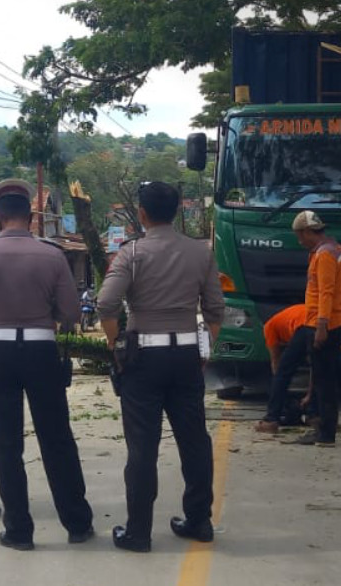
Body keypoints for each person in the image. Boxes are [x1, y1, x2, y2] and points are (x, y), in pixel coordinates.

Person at [0, 179, 94, 551]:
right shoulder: (52, 255)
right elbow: (70, 314)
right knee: (57, 437)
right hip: (41, 351)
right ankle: (78, 523)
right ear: (31, 217)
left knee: (6, 441)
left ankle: (18, 530)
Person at [97, 181, 224, 553]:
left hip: (143, 359)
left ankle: (138, 532)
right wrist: (205, 350)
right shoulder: (200, 252)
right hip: (186, 356)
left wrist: (114, 344)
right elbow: (215, 310)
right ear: (177, 212)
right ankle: (200, 522)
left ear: (142, 213)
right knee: (195, 442)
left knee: (142, 447)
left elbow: (106, 305)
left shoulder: (131, 254)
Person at [254, 304, 341, 434]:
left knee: (283, 373)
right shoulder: (288, 320)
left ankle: (271, 419)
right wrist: (309, 395)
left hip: (308, 325)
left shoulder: (269, 328)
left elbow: (276, 363)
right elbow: (316, 367)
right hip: (330, 325)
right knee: (336, 372)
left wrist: (301, 395)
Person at [290, 210, 341, 447]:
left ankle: (325, 434)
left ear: (307, 232)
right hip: (337, 321)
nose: (299, 241)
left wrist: (321, 326)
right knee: (328, 379)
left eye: (299, 235)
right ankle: (326, 429)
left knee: (324, 382)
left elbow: (326, 292)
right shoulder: (336, 250)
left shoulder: (324, 255)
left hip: (324, 323)